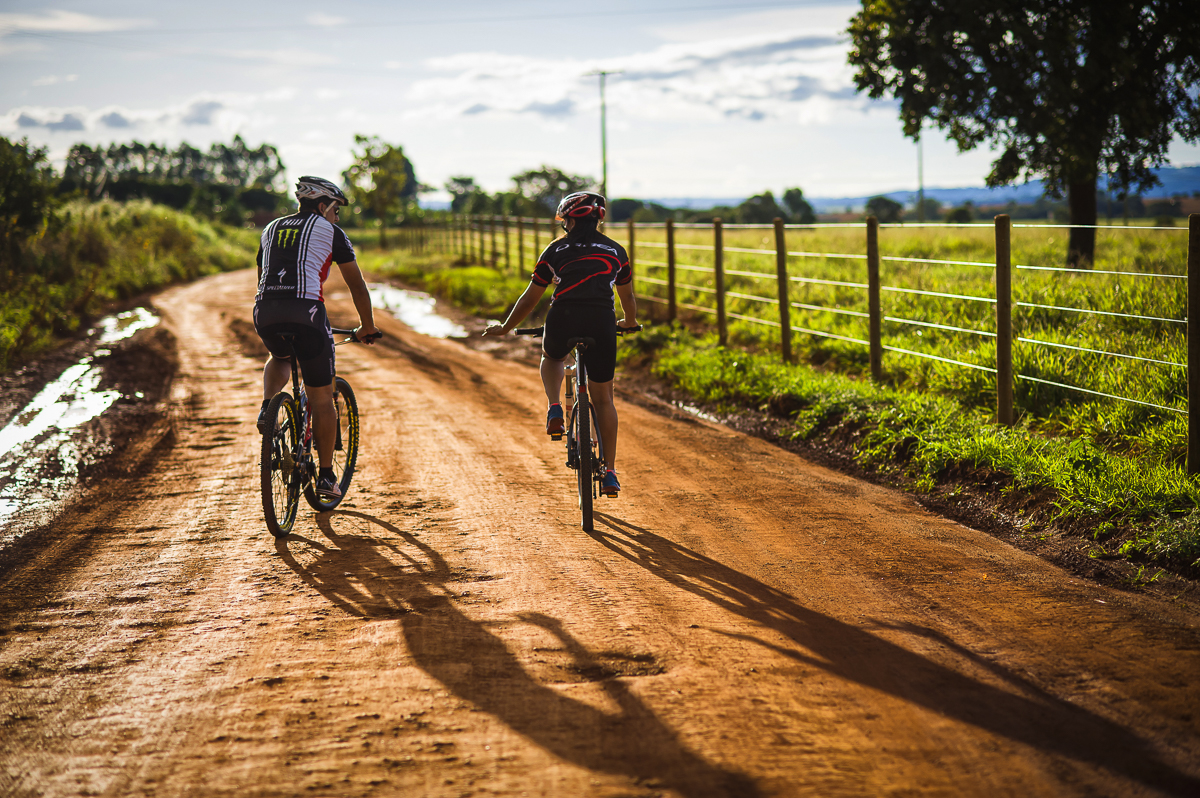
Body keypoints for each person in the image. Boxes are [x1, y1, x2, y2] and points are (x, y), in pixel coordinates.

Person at [482, 191, 638, 496]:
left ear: (568, 220)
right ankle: (609, 471)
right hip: (602, 322)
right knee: (604, 399)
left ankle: (554, 407)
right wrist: (629, 322)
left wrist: (505, 327)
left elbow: (531, 296)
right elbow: (627, 297)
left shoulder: (555, 250)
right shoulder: (616, 251)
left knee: (552, 357)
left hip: (563, 318)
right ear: (597, 218)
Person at [253, 175, 378, 499]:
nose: (338, 216)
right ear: (323, 205)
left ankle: (268, 407)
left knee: (280, 355)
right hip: (307, 314)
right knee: (322, 399)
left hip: (264, 311)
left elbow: (263, 276)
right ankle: (325, 478)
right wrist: (366, 325)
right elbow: (356, 284)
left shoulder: (271, 229)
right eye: (336, 209)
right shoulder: (332, 231)